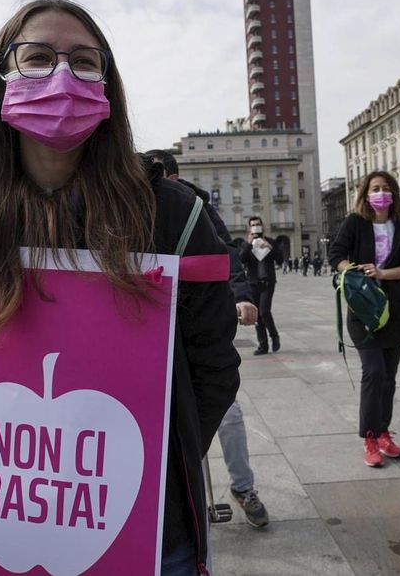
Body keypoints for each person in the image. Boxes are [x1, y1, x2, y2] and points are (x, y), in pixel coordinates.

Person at [0, 0, 239, 575]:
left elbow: (213, 365)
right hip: (8, 522)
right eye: (37, 57)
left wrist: (142, 470)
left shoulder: (172, 215)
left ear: (109, 87)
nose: (63, 75)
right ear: (1, 80)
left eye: (86, 62)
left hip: (153, 531)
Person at [144, 149, 270, 528]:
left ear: (176, 177)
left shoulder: (194, 207)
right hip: (145, 333)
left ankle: (242, 487)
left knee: (227, 412)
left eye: (166, 181)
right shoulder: (126, 203)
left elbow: (224, 253)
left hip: (191, 322)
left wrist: (243, 295)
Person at [329, 171, 400, 467]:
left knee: (389, 379)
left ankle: (383, 433)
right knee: (374, 372)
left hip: (396, 311)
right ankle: (369, 436)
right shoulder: (355, 222)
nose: (381, 192)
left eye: (386, 188)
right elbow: (335, 254)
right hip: (363, 310)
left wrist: (381, 273)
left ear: (394, 194)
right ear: (366, 194)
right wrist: (353, 273)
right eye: (375, 188)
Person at [240, 216, 283, 355]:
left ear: (262, 226)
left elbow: (280, 259)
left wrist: (270, 248)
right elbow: (241, 259)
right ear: (249, 227)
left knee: (264, 311)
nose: (256, 227)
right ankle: (263, 345)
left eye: (258, 224)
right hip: (253, 283)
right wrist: (248, 244)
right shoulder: (247, 243)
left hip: (268, 282)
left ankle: (274, 336)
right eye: (253, 225)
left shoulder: (270, 242)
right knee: (257, 315)